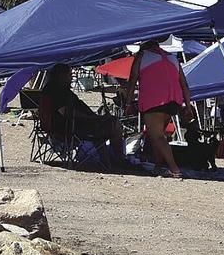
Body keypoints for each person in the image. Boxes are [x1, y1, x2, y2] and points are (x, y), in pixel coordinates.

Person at [125, 38, 192, 177]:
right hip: (173, 101)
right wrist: (188, 105)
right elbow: (184, 84)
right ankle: (158, 166)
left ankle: (175, 170)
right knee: (157, 135)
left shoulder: (142, 56)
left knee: (157, 137)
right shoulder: (172, 58)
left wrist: (128, 103)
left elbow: (132, 80)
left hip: (153, 100)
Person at [42, 64, 126, 163]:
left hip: (70, 125)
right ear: (61, 76)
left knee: (107, 123)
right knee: (113, 123)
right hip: (69, 127)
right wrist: (90, 118)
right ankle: (118, 159)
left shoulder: (54, 88)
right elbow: (66, 112)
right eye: (69, 75)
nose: (71, 79)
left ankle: (107, 159)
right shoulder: (56, 91)